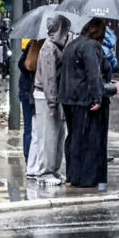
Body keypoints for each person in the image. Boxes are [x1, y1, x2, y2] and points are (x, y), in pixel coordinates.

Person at [59, 18, 112, 189]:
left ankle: (72, 176)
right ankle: (85, 178)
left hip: (68, 98)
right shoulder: (91, 47)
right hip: (83, 99)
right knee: (87, 139)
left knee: (73, 137)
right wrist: (97, 98)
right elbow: (93, 73)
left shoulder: (72, 45)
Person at [26, 16, 69, 185]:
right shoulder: (49, 48)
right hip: (46, 96)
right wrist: (53, 102)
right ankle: (45, 172)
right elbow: (49, 78)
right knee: (48, 135)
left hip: (51, 96)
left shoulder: (55, 46)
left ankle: (53, 169)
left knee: (57, 135)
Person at [18, 36, 41, 160]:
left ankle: (29, 160)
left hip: (25, 91)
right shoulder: (42, 47)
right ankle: (31, 160)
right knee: (33, 129)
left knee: (29, 128)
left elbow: (21, 65)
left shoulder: (30, 45)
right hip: (31, 91)